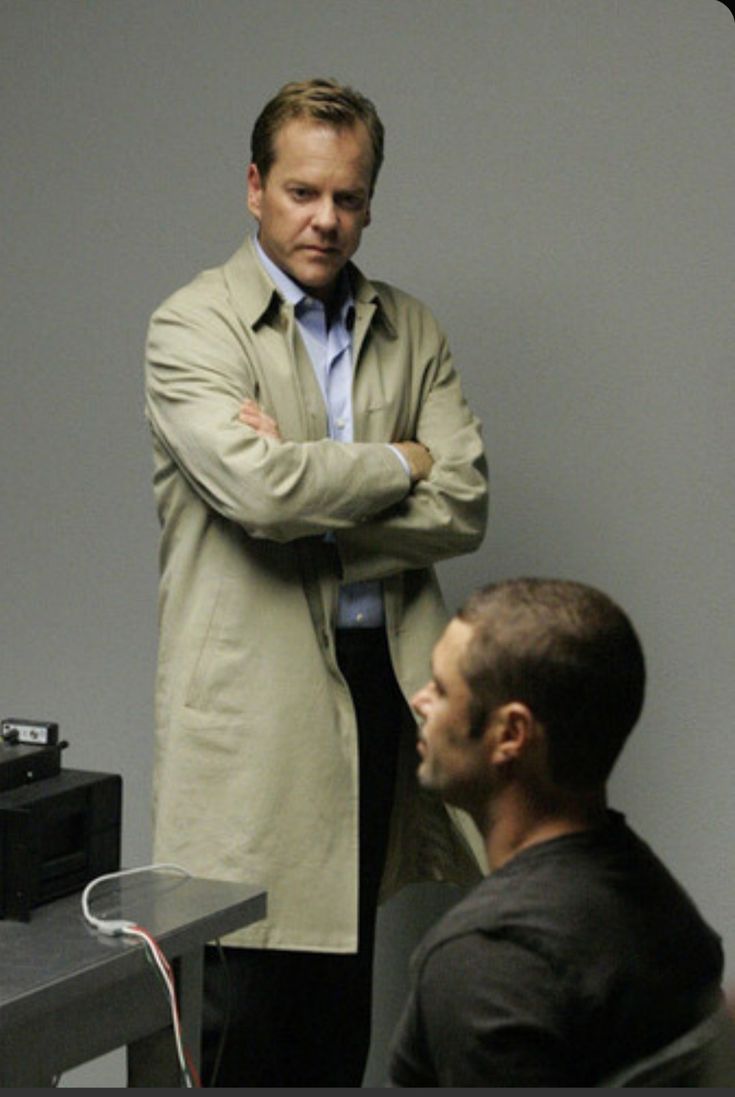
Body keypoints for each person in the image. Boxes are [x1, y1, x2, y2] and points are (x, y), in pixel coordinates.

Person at [144, 78, 488, 1086]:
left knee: (340, 1000)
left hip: (382, 681)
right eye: (301, 192)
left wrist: (308, 491)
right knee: (242, 1005)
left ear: (371, 201)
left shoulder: (411, 327)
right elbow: (256, 490)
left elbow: (466, 501)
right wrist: (404, 460)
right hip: (251, 699)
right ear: (254, 187)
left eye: (347, 196)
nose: (324, 219)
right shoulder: (191, 325)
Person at [389, 578, 729, 1087]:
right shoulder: (660, 903)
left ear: (510, 735)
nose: (420, 701)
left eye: (440, 688)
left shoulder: (488, 963)